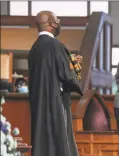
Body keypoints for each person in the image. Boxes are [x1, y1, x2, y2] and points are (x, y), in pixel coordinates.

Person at [28, 11, 83, 156]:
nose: (59, 23)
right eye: (57, 20)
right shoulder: (56, 45)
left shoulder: (34, 48)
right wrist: (76, 72)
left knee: (42, 138)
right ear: (52, 23)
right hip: (55, 100)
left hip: (38, 101)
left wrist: (70, 63)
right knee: (59, 139)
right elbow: (66, 75)